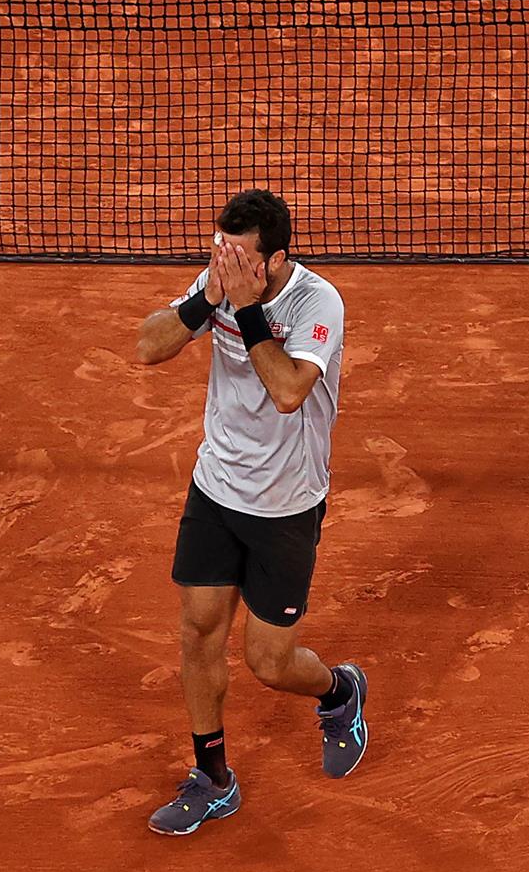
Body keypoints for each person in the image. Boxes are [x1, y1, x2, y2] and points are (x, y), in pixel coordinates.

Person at [132, 189, 369, 834]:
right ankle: (212, 777)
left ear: (275, 259)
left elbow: (290, 390)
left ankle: (339, 691)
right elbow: (148, 347)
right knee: (198, 629)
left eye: (239, 255)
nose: (224, 261)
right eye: (219, 248)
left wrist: (244, 308)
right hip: (216, 489)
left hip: (288, 507)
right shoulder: (219, 282)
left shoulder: (319, 303)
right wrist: (208, 297)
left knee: (269, 663)